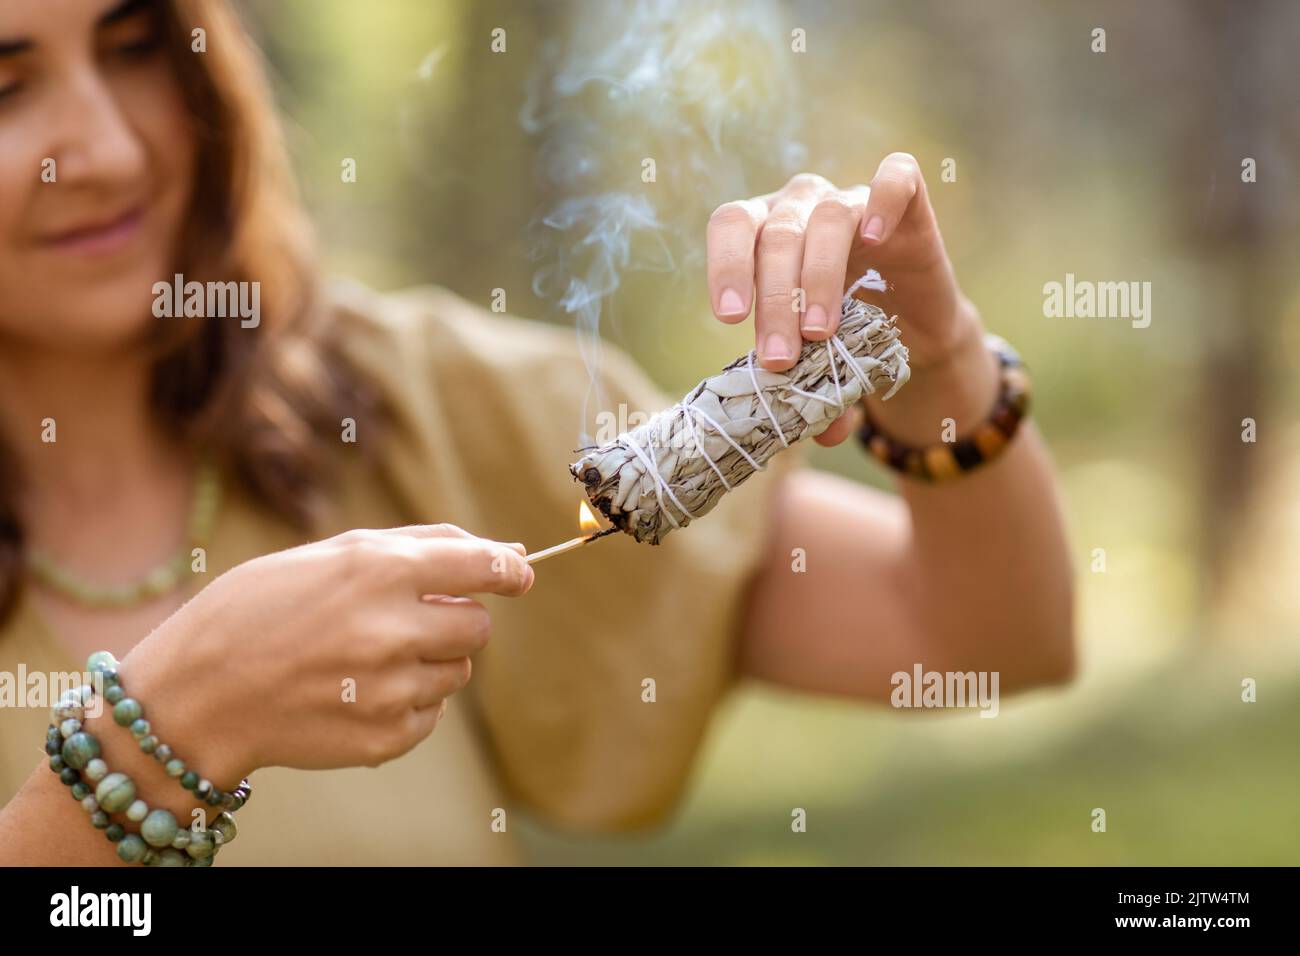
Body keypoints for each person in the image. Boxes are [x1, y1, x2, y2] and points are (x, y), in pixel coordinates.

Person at [0, 0, 1075, 865]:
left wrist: (936, 359)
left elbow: (986, 641)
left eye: (135, 45)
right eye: (7, 84)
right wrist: (162, 731)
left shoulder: (404, 403)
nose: (97, 146)